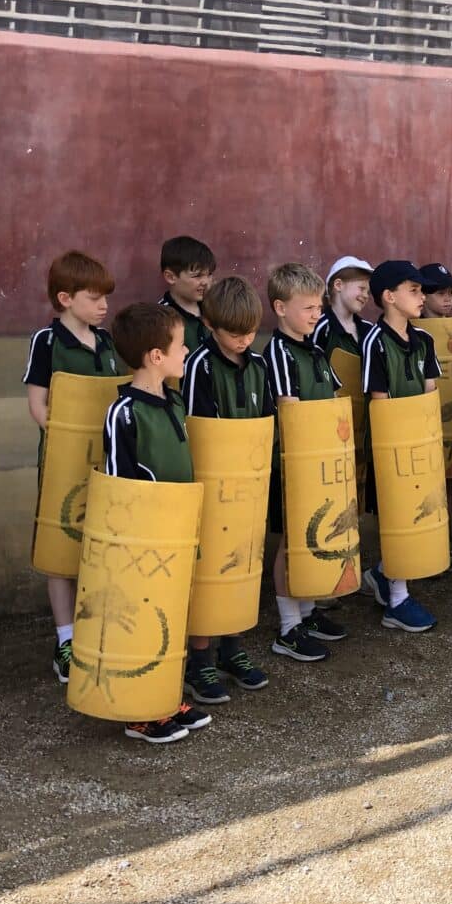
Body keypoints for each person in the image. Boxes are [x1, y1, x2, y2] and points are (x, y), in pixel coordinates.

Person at [102, 302, 212, 745]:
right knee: (145, 620)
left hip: (178, 533)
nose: (186, 353)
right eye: (181, 347)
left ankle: (165, 696)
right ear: (155, 356)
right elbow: (119, 485)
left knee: (174, 616)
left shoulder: (175, 400)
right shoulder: (124, 412)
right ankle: (138, 709)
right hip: (141, 543)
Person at [23, 250, 122, 685]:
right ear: (65, 298)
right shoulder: (46, 342)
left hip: (104, 460)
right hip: (63, 461)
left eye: (106, 298)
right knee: (61, 548)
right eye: (94, 297)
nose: (103, 306)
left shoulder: (106, 342)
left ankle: (96, 630)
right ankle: (65, 640)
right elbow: (39, 406)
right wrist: (68, 442)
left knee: (98, 542)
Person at [180, 276, 272, 701]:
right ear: (210, 325)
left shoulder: (259, 366)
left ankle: (232, 649)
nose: (244, 341)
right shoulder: (199, 365)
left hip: (250, 484)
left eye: (251, 332)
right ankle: (200, 660)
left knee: (243, 561)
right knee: (208, 570)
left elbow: (266, 422)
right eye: (235, 334)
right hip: (212, 485)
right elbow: (199, 428)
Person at [261, 263, 342, 663]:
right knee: (292, 543)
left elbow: (330, 403)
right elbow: (289, 411)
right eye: (308, 307)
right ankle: (288, 627)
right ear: (280, 307)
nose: (316, 314)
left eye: (319, 307)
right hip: (293, 462)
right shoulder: (277, 351)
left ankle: (308, 614)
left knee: (312, 535)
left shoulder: (314, 348)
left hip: (323, 458)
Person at [360, 261, 442, 633]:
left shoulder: (424, 340)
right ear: (389, 297)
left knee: (416, 512)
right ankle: (397, 599)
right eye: (414, 290)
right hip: (390, 445)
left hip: (420, 442)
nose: (421, 296)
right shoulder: (375, 342)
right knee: (395, 515)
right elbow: (379, 398)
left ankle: (383, 575)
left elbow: (430, 392)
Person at [418, 262, 452, 576]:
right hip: (423, 420)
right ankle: (424, 546)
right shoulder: (414, 331)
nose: (448, 299)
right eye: (440, 293)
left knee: (449, 481)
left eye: (451, 293)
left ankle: (445, 545)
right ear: (422, 296)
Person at [158, 235, 216, 352]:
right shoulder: (160, 319)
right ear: (170, 277)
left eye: (209, 274)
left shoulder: (215, 309)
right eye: (197, 276)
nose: (205, 282)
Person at [315, 255, 375, 363]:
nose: (366, 296)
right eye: (361, 288)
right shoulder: (320, 327)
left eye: (368, 292)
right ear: (338, 285)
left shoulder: (369, 329)